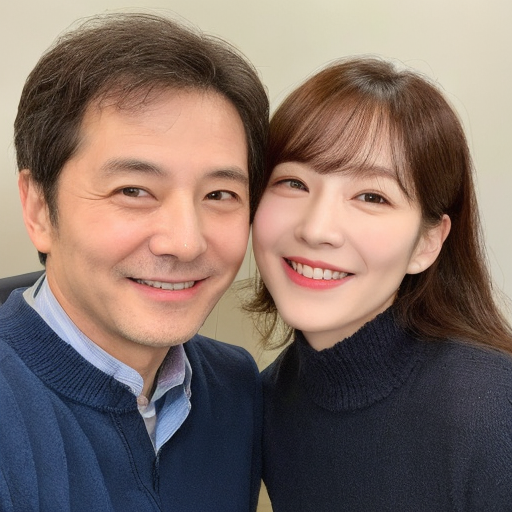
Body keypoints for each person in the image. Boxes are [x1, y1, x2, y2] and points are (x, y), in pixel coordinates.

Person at [0, 13, 268, 512]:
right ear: (38, 208)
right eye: (133, 190)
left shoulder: (235, 388)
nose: (185, 243)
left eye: (219, 194)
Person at [248, 57, 512, 511]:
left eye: (371, 196)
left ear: (427, 243)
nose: (317, 229)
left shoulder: (492, 406)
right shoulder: (269, 401)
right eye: (293, 182)